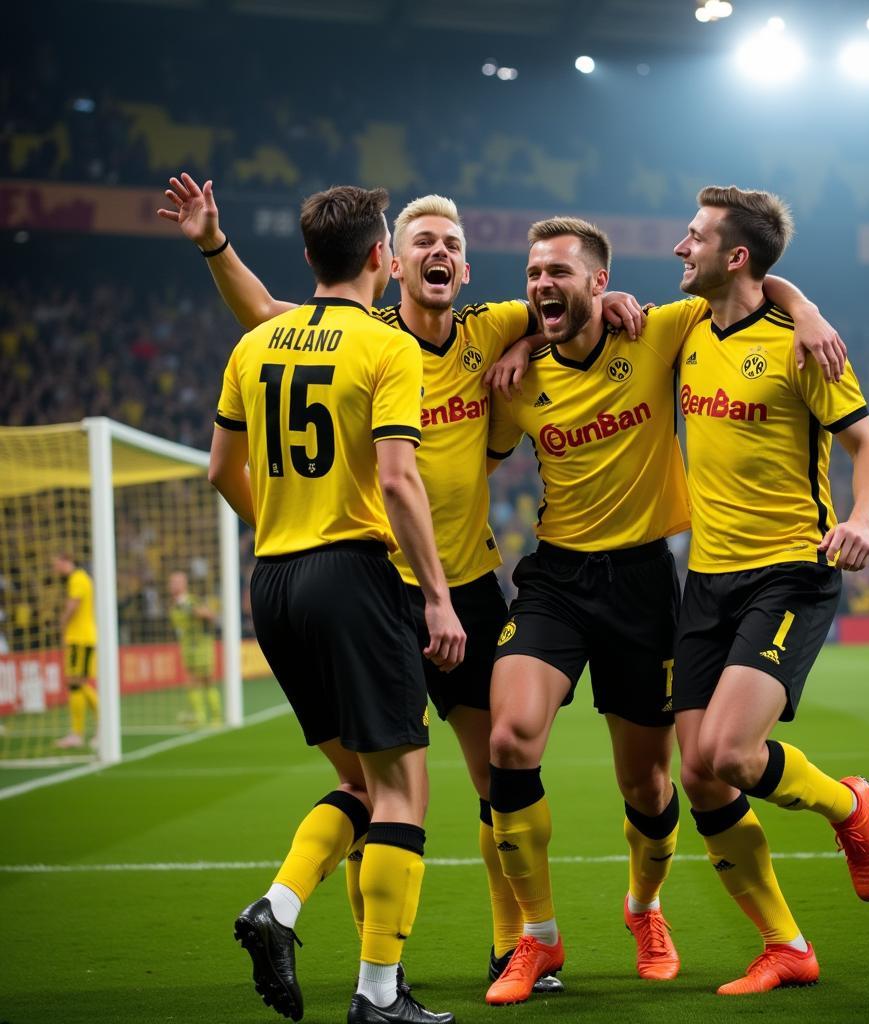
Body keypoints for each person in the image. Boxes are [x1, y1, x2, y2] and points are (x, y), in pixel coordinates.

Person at [158, 171, 644, 995]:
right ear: (393, 258)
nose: (442, 252)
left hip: (467, 587)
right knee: (382, 786)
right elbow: (275, 318)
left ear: (463, 263)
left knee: (497, 777)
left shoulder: (492, 327)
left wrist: (609, 304)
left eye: (454, 243)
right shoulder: (373, 336)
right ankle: (379, 968)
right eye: (424, 241)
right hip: (380, 591)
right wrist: (213, 244)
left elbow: (577, 302)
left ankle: (513, 943)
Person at [482, 216, 845, 1005]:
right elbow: (464, 447)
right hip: (554, 578)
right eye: (534, 272)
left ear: (601, 285)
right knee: (509, 739)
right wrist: (516, 347)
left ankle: (645, 910)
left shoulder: (662, 331)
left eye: (560, 273)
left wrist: (808, 311)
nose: (543, 284)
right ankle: (537, 940)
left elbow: (749, 288)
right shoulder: (514, 381)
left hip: (645, 584)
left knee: (649, 787)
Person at [208, 183, 465, 1024]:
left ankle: (279, 907)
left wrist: (285, 525)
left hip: (274, 582)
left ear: (311, 260)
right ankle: (378, 996)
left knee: (359, 782)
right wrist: (437, 598)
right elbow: (397, 478)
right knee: (402, 793)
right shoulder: (385, 349)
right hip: (353, 577)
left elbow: (220, 471)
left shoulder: (256, 345)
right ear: (381, 261)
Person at [671, 185, 869, 995]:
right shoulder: (687, 327)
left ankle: (846, 805)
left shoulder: (805, 348)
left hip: (790, 571)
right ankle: (786, 945)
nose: (677, 248)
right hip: (706, 578)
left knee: (729, 753)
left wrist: (863, 520)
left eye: (692, 237)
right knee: (696, 773)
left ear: (735, 256)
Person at [52, 554, 98, 749]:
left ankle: (79, 733)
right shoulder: (82, 578)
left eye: (56, 564)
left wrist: (62, 624)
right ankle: (96, 728)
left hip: (79, 638)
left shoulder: (77, 578)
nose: (55, 569)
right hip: (85, 638)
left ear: (65, 562)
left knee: (75, 683)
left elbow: (74, 604)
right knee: (78, 684)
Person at [166, 570, 221, 726]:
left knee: (207, 680)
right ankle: (200, 716)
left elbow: (210, 615)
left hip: (201, 646)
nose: (173, 585)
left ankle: (216, 717)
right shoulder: (173, 605)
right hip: (187, 648)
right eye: (172, 582)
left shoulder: (192, 602)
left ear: (184, 584)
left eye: (177, 582)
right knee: (191, 681)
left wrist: (198, 612)